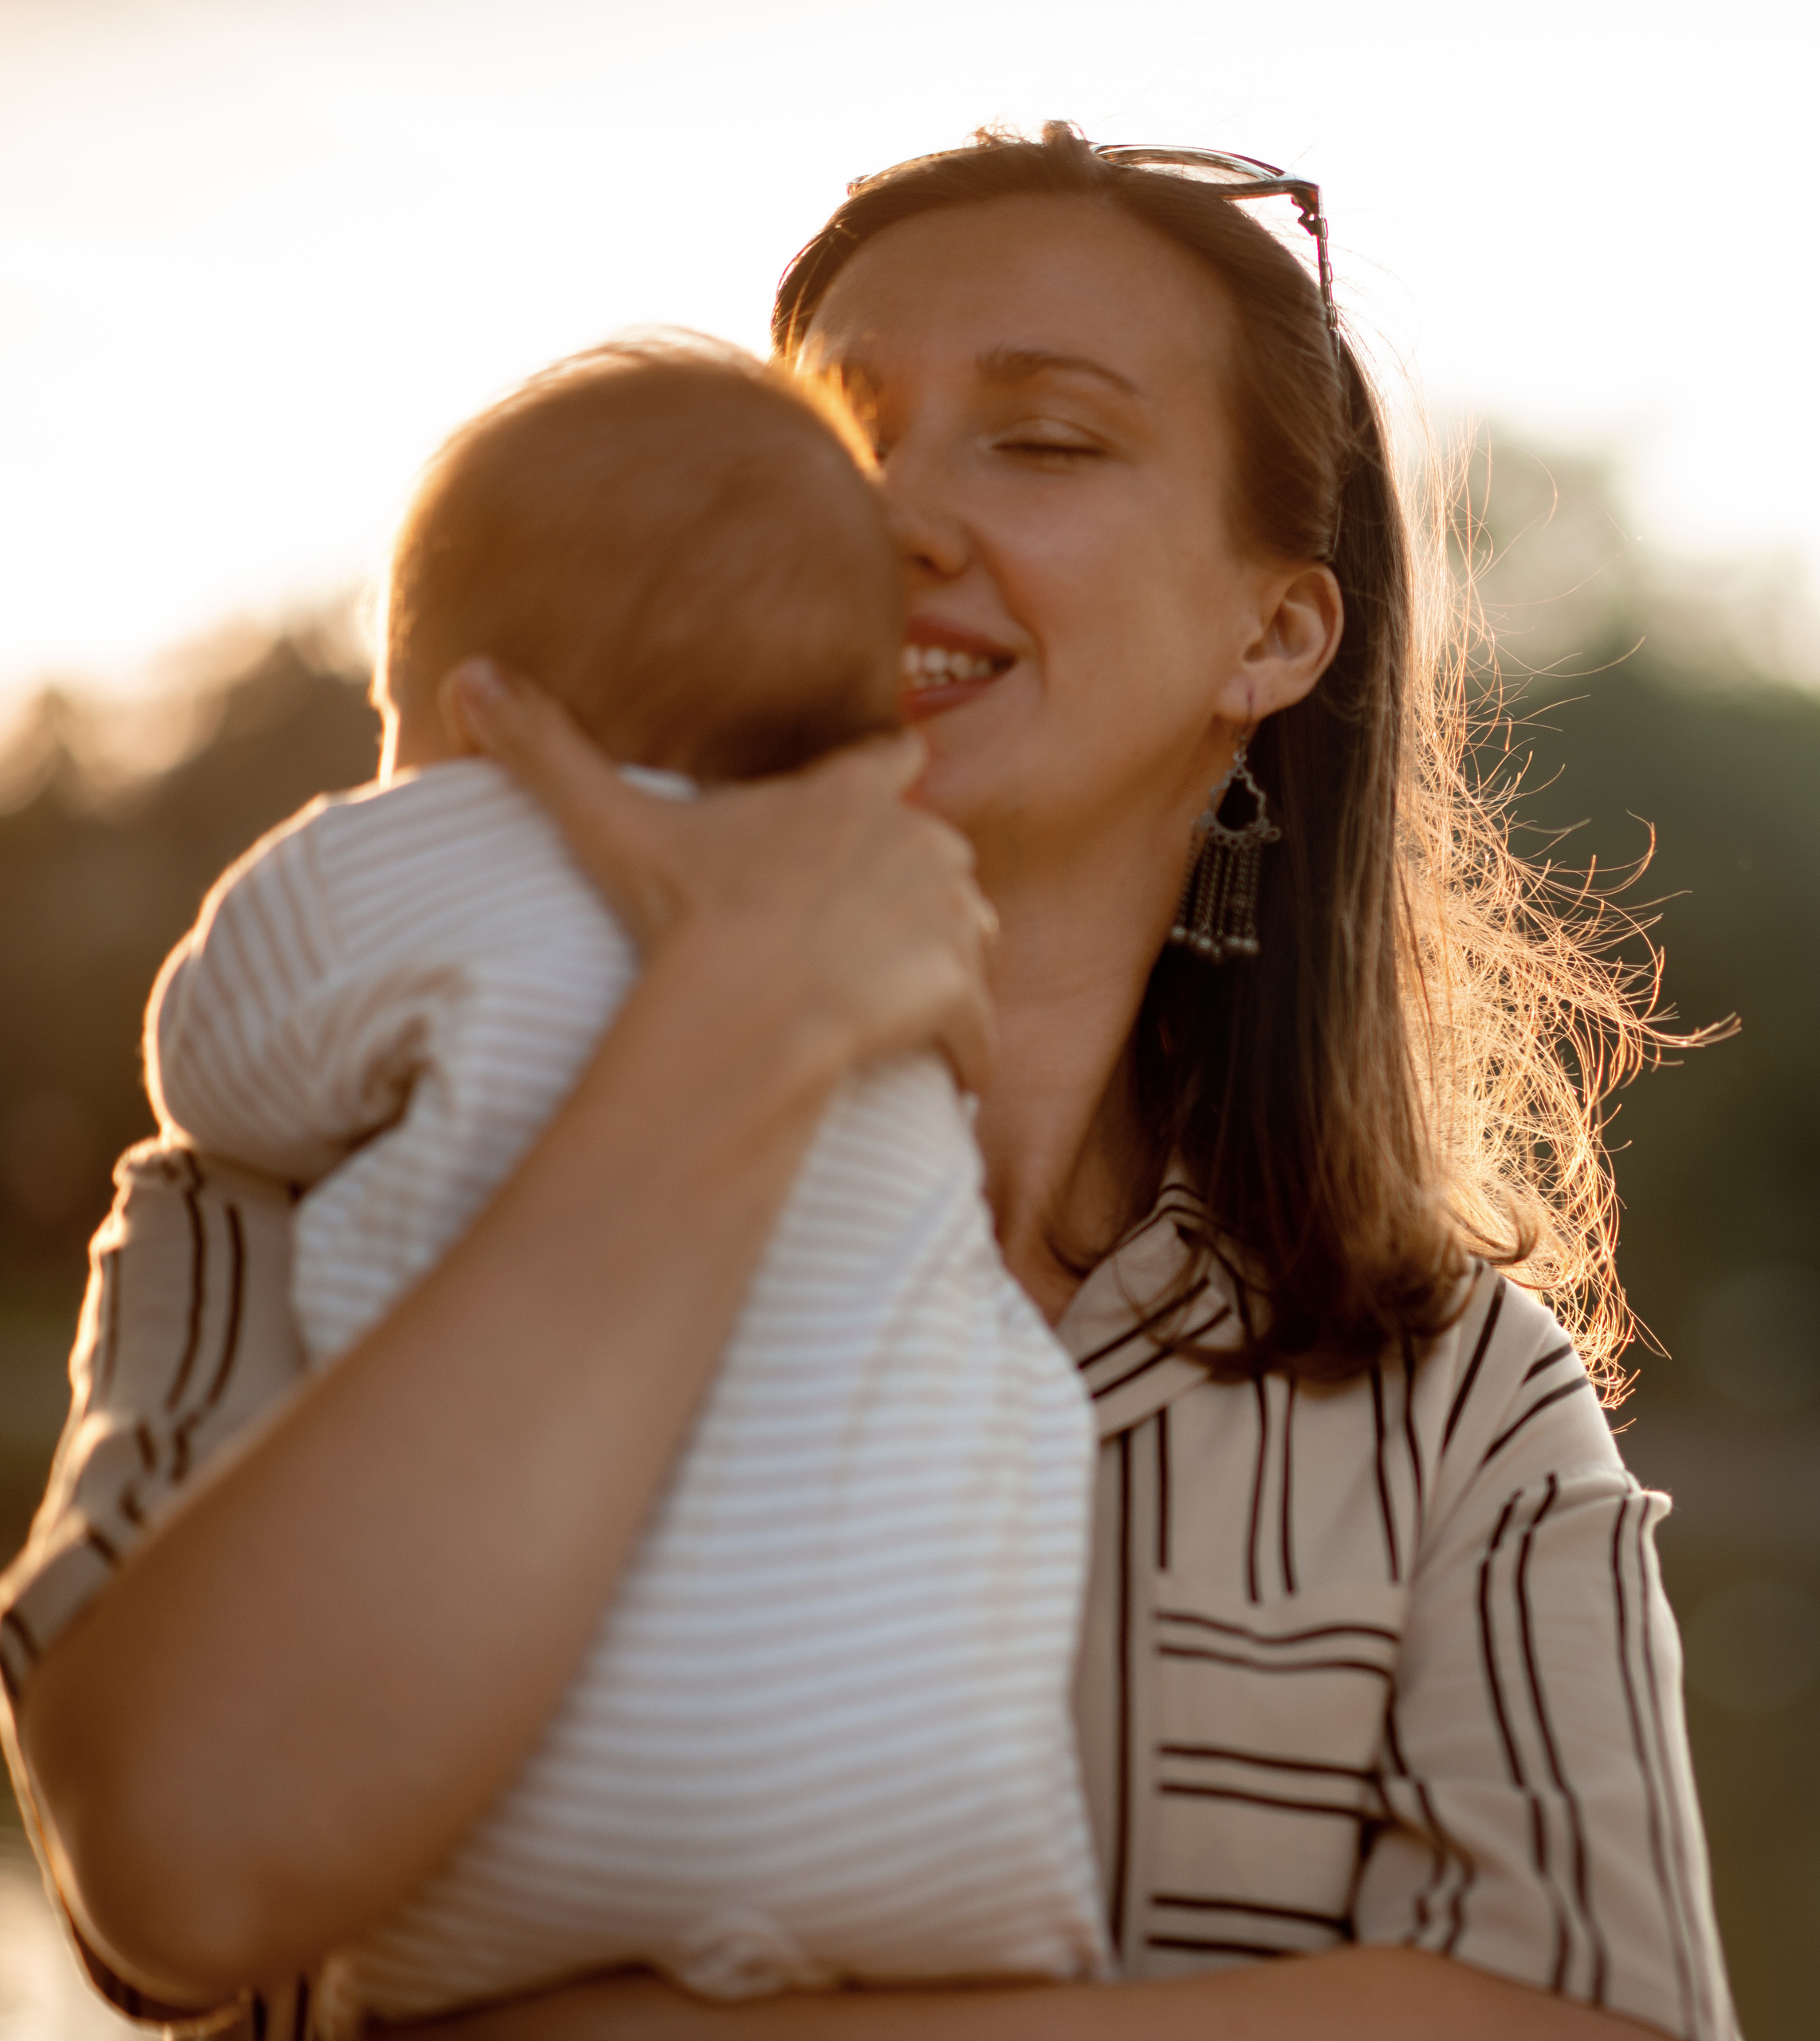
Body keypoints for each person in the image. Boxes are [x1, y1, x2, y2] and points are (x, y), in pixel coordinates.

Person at [1, 124, 1736, 2039]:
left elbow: (1607, 2015)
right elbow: (178, 1865)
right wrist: (722, 1030)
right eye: (833, 446)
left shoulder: (1452, 1399)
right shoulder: (299, 1173)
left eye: (1045, 438)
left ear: (1272, 630)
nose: (892, 513)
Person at [136, 336, 1104, 2027]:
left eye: (1039, 438)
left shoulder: (425, 841)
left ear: (465, 708)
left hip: (500, 1870)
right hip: (941, 1862)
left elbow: (218, 1066)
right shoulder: (905, 925)